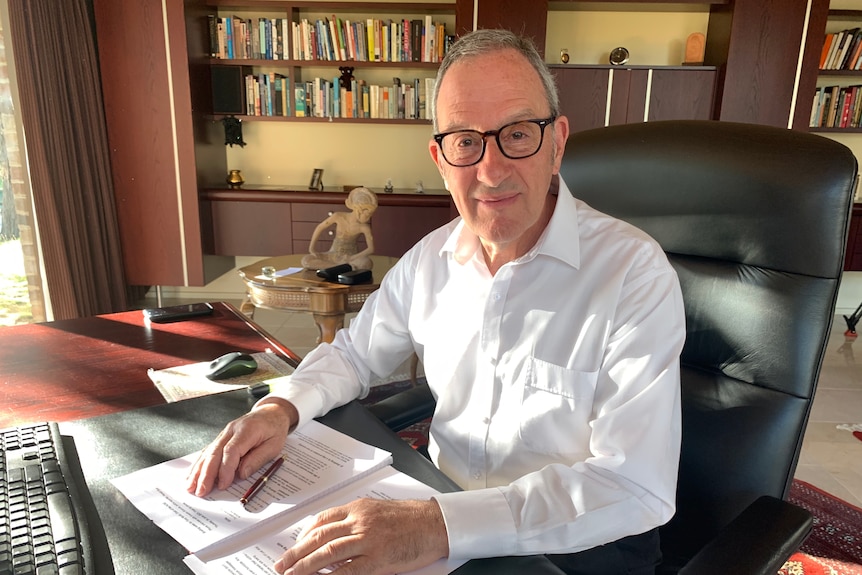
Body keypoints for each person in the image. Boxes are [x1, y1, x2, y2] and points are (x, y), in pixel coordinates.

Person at [187, 29, 686, 575]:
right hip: (440, 514)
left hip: (578, 550)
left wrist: (437, 526)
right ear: (440, 159)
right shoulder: (430, 260)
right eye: (466, 141)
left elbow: (635, 484)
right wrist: (280, 407)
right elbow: (354, 355)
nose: (491, 170)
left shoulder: (633, 273)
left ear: (558, 142)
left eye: (518, 134)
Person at [301, 186, 377, 270]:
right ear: (359, 211)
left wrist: (352, 258)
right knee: (306, 260)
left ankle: (341, 268)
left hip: (351, 257)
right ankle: (341, 268)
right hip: (333, 254)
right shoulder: (338, 216)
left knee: (366, 264)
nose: (368, 218)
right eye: (367, 215)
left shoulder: (364, 227)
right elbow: (320, 227)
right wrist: (312, 249)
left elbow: (371, 249)